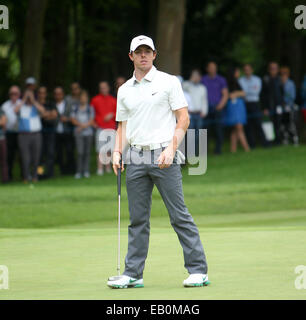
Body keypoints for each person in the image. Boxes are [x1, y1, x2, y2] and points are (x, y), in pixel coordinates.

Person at [107, 35, 209, 289]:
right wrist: (117, 151)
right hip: (135, 158)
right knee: (137, 220)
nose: (143, 55)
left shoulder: (168, 82)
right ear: (131, 56)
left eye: (147, 51)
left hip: (165, 154)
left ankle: (198, 270)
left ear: (154, 55)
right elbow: (122, 126)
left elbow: (183, 119)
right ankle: (133, 273)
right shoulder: (124, 90)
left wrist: (171, 149)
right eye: (138, 52)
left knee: (178, 215)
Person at [14, 90, 45, 183]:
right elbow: (15, 110)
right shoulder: (21, 106)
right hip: (23, 135)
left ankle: (35, 177)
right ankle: (26, 177)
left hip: (36, 134)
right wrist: (23, 99)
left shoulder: (36, 106)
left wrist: (33, 100)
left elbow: (43, 110)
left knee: (36, 157)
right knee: (25, 158)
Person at [201, 61, 228, 154]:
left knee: (218, 130)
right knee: (205, 130)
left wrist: (221, 105)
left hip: (218, 107)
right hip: (206, 108)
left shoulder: (221, 80)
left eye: (214, 67)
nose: (212, 69)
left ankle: (218, 150)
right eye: (210, 67)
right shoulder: (203, 79)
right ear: (207, 69)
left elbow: (225, 94)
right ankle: (204, 151)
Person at [239, 63, 268, 148]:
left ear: (252, 70)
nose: (247, 71)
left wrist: (245, 92)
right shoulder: (241, 80)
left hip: (255, 104)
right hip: (245, 104)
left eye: (248, 69)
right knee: (248, 126)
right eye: (245, 69)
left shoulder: (257, 79)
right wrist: (248, 91)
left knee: (258, 124)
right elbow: (243, 93)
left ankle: (264, 143)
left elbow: (256, 91)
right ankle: (251, 144)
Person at [91, 81, 117, 175]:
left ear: (108, 88)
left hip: (111, 127)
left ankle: (108, 168)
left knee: (109, 149)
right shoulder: (95, 100)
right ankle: (100, 169)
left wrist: (112, 114)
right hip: (100, 127)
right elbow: (92, 113)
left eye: (105, 87)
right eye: (101, 88)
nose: (103, 89)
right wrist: (93, 122)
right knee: (100, 149)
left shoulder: (113, 100)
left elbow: (118, 113)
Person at [183, 69, 208, 156]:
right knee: (190, 135)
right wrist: (191, 80)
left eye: (198, 76)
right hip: (190, 114)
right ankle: (189, 154)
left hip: (199, 114)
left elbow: (204, 101)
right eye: (194, 76)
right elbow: (183, 87)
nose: (196, 78)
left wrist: (204, 111)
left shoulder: (202, 88)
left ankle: (197, 153)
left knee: (198, 135)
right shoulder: (187, 86)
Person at [224, 67, 250, 153]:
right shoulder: (229, 83)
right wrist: (238, 93)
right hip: (234, 107)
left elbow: (242, 93)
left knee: (235, 129)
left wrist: (237, 94)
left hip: (238, 106)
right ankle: (247, 148)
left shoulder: (237, 82)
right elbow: (231, 95)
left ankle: (233, 150)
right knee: (239, 127)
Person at [70, 90, 95, 179]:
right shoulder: (75, 108)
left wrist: (83, 126)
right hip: (78, 133)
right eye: (81, 98)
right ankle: (79, 171)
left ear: (87, 99)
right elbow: (72, 119)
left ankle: (86, 171)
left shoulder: (90, 108)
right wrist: (81, 126)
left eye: (85, 97)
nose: (83, 99)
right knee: (80, 152)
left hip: (88, 133)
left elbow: (92, 120)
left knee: (87, 152)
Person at [1, 86, 21, 181]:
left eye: (16, 93)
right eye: (12, 94)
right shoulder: (4, 106)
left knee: (22, 155)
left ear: (19, 94)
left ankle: (24, 176)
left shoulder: (22, 103)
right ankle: (9, 176)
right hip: (9, 133)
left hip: (21, 133)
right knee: (9, 155)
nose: (14, 96)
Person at [261, 62, 284, 144]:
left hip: (278, 106)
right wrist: (264, 108)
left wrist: (282, 104)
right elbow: (263, 95)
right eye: (272, 68)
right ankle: (269, 142)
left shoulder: (279, 79)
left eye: (275, 68)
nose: (273, 70)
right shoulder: (265, 79)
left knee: (278, 123)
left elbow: (282, 93)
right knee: (269, 125)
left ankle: (278, 141)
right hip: (269, 106)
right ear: (269, 69)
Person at [54, 86, 75, 175]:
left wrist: (67, 119)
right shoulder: (52, 105)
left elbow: (74, 116)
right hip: (56, 132)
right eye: (56, 94)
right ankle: (62, 171)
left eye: (60, 93)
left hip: (67, 131)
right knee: (59, 153)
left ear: (63, 94)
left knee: (69, 151)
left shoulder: (68, 104)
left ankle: (71, 170)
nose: (58, 95)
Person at [38, 86, 58, 178]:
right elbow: (41, 115)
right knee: (40, 154)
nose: (42, 95)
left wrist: (44, 115)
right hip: (40, 133)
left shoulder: (51, 103)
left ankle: (50, 174)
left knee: (50, 153)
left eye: (44, 93)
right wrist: (48, 114)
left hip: (50, 132)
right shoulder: (37, 104)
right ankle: (40, 173)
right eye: (40, 93)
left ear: (46, 94)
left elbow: (54, 115)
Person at [279, 66, 299, 146]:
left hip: (289, 107)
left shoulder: (290, 84)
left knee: (291, 124)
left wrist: (287, 102)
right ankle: (285, 139)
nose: (283, 75)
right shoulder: (279, 83)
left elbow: (292, 96)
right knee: (283, 125)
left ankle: (295, 139)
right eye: (282, 74)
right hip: (281, 107)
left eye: (285, 73)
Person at [0, 108, 9, 183]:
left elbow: (3, 122)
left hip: (1, 138)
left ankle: (5, 179)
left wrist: (2, 122)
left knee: (4, 159)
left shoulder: (1, 110)